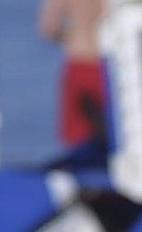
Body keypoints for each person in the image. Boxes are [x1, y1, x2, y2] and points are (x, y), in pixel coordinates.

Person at [37, 0, 108, 147]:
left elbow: (48, 28)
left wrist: (73, 36)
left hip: (78, 62)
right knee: (112, 130)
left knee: (79, 137)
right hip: (106, 64)